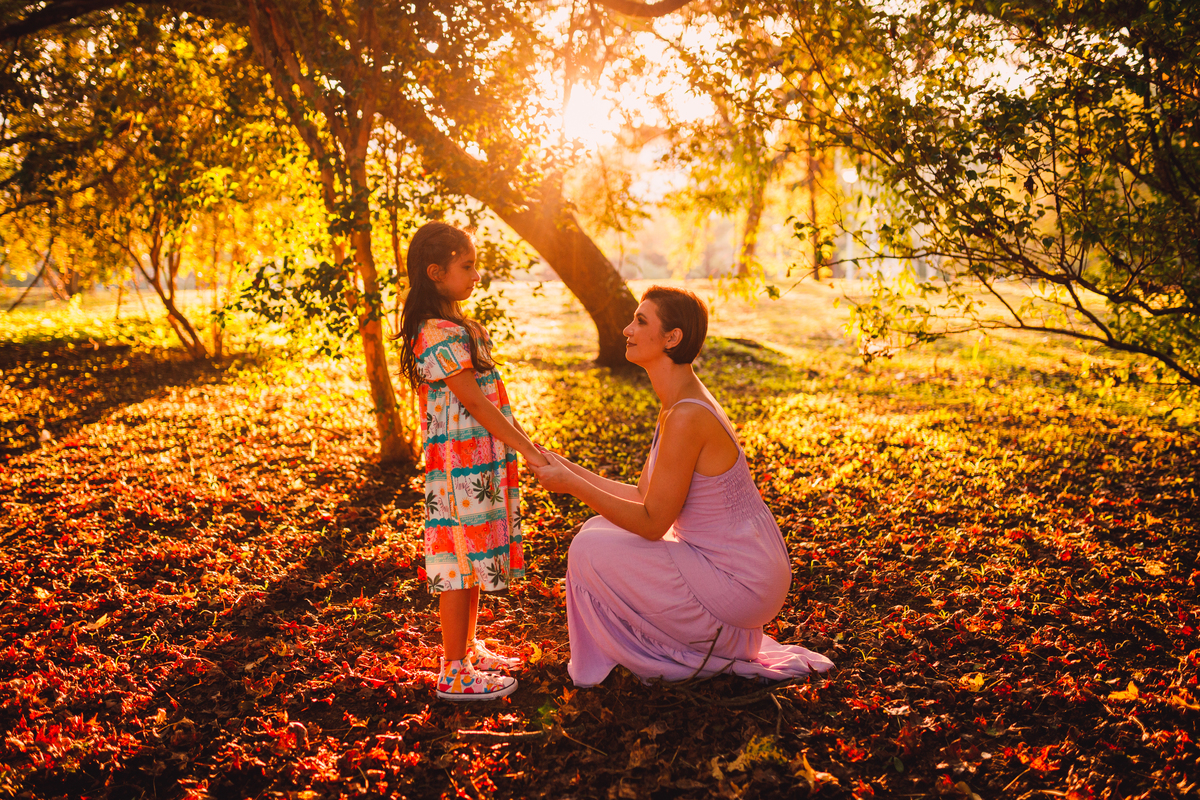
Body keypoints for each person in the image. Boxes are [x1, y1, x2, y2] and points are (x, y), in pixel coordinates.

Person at [532, 286, 834, 686]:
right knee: (596, 531)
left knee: (588, 547)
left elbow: (653, 522)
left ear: (672, 338)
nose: (626, 329)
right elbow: (644, 496)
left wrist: (572, 486)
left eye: (640, 321)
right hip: (736, 569)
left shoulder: (687, 415)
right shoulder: (676, 403)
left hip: (742, 580)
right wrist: (571, 469)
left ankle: (685, 648)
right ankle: (711, 638)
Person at [397, 221, 548, 701]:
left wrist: (512, 446)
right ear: (435, 272)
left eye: (476, 265)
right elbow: (476, 404)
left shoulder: (456, 325)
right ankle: (453, 669)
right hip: (458, 465)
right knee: (459, 564)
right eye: (468, 266)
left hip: (477, 459)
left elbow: (485, 402)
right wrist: (526, 445)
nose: (476, 275)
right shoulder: (436, 332)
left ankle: (467, 648)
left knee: (474, 558)